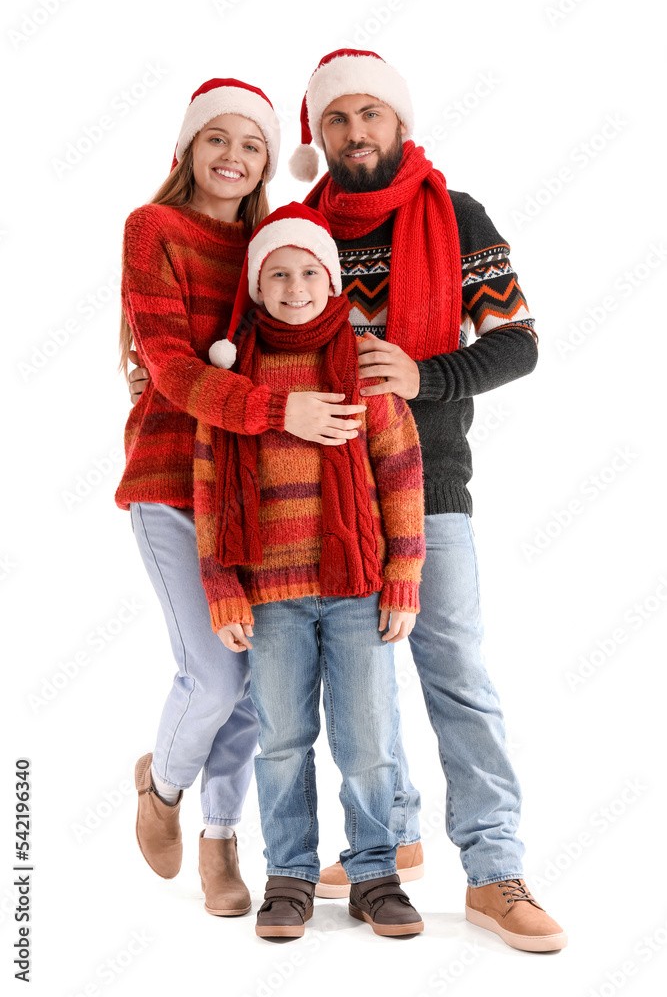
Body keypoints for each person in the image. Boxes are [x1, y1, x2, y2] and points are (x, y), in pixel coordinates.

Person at [284, 48, 567, 953]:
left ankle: (495, 869)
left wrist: (421, 374)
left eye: (369, 115)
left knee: (454, 672)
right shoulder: (297, 229)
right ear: (316, 134)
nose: (354, 133)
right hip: (322, 492)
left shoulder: (454, 215)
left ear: (400, 124)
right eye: (336, 119)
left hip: (429, 484)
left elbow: (518, 343)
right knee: (358, 682)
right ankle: (393, 834)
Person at [115, 78, 365, 917]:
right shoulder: (153, 230)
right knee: (213, 678)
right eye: (216, 139)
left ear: (268, 161)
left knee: (257, 683)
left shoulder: (271, 243)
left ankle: (220, 846)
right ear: (186, 149)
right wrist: (276, 409)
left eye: (252, 144)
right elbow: (174, 367)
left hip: (256, 490)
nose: (234, 157)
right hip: (170, 480)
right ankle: (163, 792)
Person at [194, 202, 426, 939]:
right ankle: (289, 875)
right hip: (270, 594)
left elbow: (400, 474)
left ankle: (372, 874)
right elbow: (208, 488)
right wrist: (223, 586)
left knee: (365, 740)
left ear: (331, 281)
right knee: (283, 738)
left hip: (357, 587)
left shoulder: (365, 365)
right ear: (257, 288)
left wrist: (404, 576)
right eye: (277, 273)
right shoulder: (233, 385)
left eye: (307, 271)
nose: (294, 285)